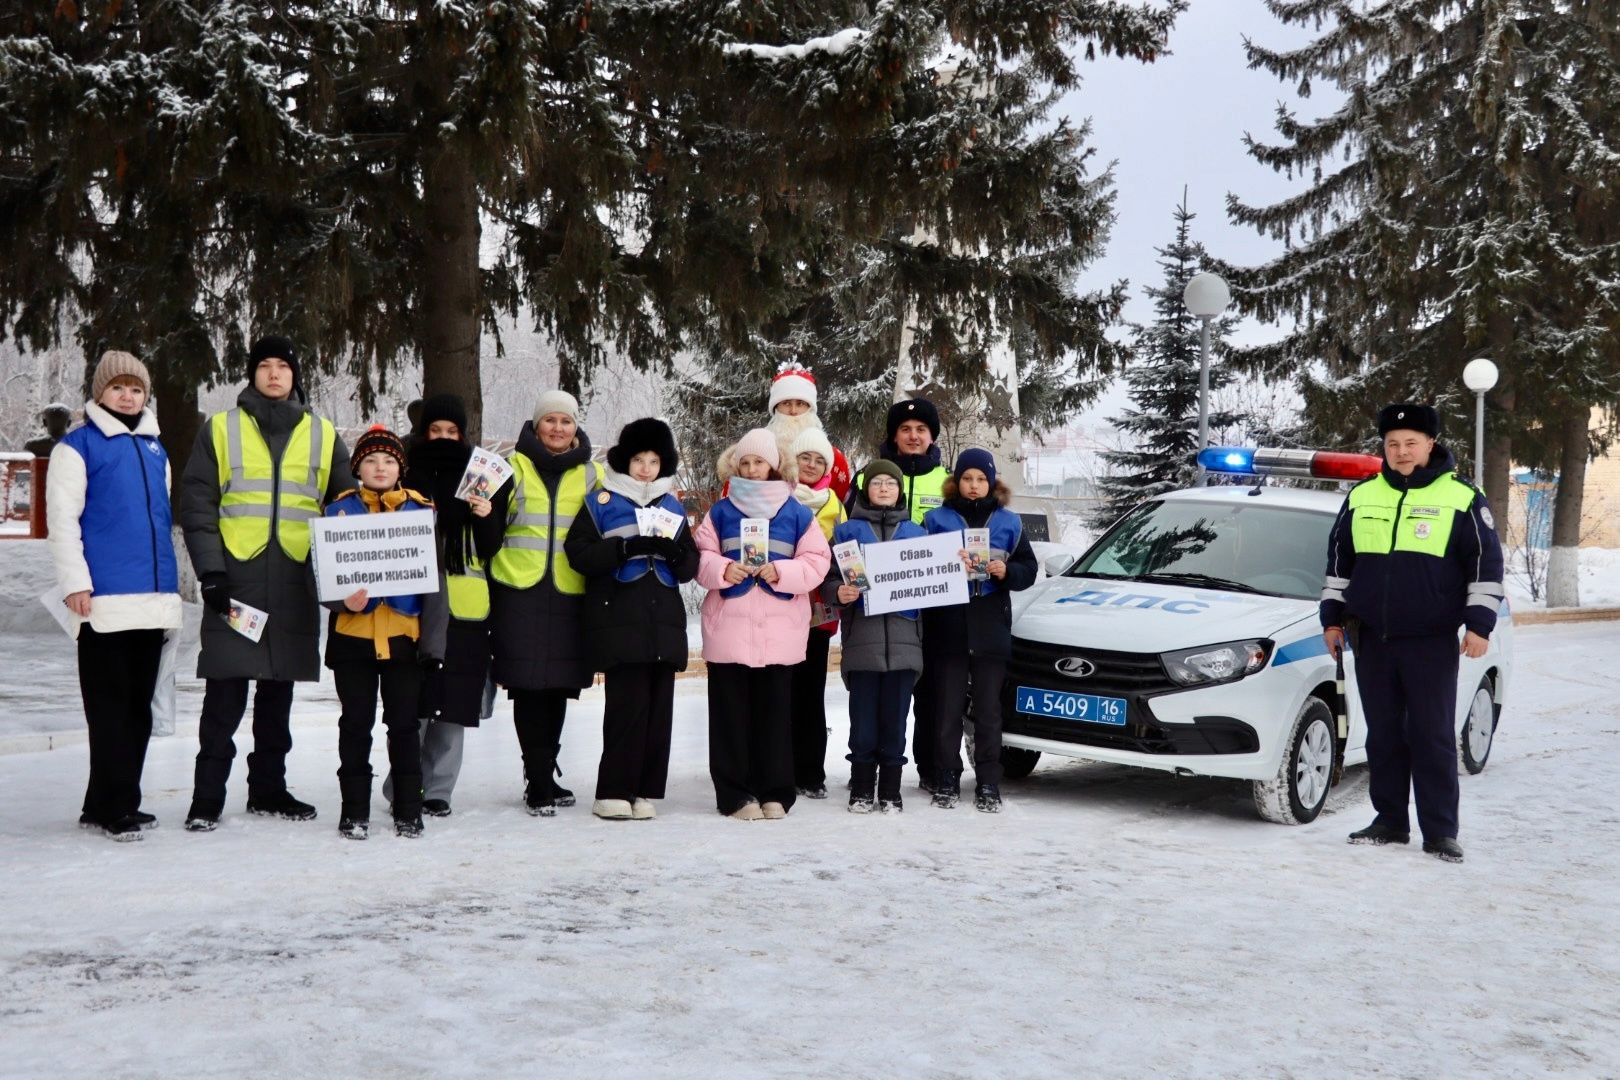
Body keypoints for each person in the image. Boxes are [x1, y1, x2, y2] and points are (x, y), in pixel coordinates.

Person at [1320, 403, 1504, 864]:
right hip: (1372, 637)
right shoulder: (1363, 496)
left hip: (1429, 639)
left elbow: (1485, 566)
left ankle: (1440, 830)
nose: (1401, 452)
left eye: (1411, 443)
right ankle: (1390, 820)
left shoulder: (1461, 497)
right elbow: (1340, 564)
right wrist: (1332, 618)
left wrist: (1479, 625)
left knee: (1432, 735)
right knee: (1383, 734)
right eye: (1393, 444)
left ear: (1431, 444)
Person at [181, 335, 349, 831]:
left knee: (278, 696)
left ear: (296, 376)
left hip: (294, 582)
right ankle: (206, 798)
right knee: (225, 698)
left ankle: (268, 790)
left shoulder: (322, 433)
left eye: (284, 366)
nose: (274, 374)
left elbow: (345, 510)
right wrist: (210, 571)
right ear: (252, 374)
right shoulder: (220, 429)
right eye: (265, 366)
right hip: (236, 582)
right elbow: (197, 505)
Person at [46, 352, 182, 840]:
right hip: (103, 598)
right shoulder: (77, 447)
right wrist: (76, 583)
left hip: (152, 597)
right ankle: (114, 806)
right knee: (109, 707)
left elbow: (159, 521)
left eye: (137, 389)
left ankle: (107, 799)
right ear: (100, 392)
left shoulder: (155, 450)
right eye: (119, 387)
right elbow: (63, 523)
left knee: (137, 707)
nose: (128, 396)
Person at [565, 418, 700, 820]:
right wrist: (623, 549)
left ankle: (645, 792)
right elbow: (580, 554)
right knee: (627, 707)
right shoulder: (601, 502)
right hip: (619, 618)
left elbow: (690, 565)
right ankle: (613, 790)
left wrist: (677, 554)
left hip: (664, 622)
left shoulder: (672, 506)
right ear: (625, 460)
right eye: (638, 459)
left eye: (654, 460)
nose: (645, 468)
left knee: (659, 712)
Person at [695, 428, 831, 820]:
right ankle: (735, 794)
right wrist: (722, 568)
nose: (752, 469)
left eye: (760, 461)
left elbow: (816, 563)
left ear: (774, 465)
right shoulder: (720, 511)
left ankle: (776, 791)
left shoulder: (797, 512)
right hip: (730, 630)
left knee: (775, 716)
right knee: (730, 716)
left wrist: (781, 572)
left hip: (780, 631)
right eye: (746, 462)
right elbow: (700, 557)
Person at [379, 395, 505, 817]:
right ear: (424, 433)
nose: (445, 438)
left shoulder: (482, 478)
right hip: (412, 607)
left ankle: (439, 791)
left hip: (467, 609)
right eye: (437, 431)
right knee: (411, 705)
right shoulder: (405, 476)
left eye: (453, 432)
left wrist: (486, 515)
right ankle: (402, 784)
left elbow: (491, 547)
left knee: (454, 705)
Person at [321, 427, 446, 839]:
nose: (380, 468)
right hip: (353, 637)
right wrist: (343, 602)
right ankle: (354, 810)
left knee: (405, 726)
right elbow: (320, 576)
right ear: (358, 467)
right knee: (355, 725)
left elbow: (435, 587)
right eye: (372, 460)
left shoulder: (421, 513)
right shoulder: (338, 511)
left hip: (402, 639)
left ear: (400, 468)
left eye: (389, 461)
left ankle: (409, 808)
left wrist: (433, 644)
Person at [488, 390, 602, 816]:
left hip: (572, 593)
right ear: (536, 426)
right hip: (519, 590)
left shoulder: (593, 476)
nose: (557, 428)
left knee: (558, 688)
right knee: (527, 687)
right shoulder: (511, 468)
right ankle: (536, 779)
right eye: (550, 421)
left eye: (566, 421)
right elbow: (490, 527)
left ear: (576, 428)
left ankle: (544, 770)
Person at [922, 448, 1038, 813]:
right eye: (967, 479)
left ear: (992, 483)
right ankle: (946, 776)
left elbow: (1029, 569)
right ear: (956, 481)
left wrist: (1008, 573)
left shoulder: (1009, 522)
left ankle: (989, 780)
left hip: (990, 624)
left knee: (989, 711)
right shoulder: (936, 519)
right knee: (947, 709)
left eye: (981, 479)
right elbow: (919, 566)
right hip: (948, 624)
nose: (974, 486)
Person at [851, 398, 953, 789]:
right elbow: (847, 532)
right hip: (875, 610)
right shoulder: (865, 478)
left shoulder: (947, 479)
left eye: (921, 430)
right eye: (906, 429)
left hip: (931, 601)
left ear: (931, 437)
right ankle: (866, 765)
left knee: (930, 691)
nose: (913, 436)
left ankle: (929, 769)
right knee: (876, 693)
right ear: (894, 435)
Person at [825, 460, 925, 813]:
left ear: (900, 491)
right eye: (877, 482)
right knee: (863, 722)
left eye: (891, 483)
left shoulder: (917, 534)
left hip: (905, 643)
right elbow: (828, 580)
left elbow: (934, 580)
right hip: (862, 644)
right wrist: (839, 592)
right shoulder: (846, 532)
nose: (884, 488)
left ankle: (892, 791)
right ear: (866, 489)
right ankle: (862, 787)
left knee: (896, 722)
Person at [785, 425, 846, 799]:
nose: (809, 464)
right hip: (780, 606)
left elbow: (846, 553)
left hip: (818, 608)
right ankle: (781, 764)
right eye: (803, 457)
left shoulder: (834, 504)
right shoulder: (780, 495)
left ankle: (811, 771)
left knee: (811, 691)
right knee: (783, 690)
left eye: (817, 460)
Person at [764, 365, 853, 501]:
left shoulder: (834, 459)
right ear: (776, 407)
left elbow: (842, 508)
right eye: (786, 403)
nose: (793, 411)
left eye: (800, 404)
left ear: (810, 408)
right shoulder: (759, 453)